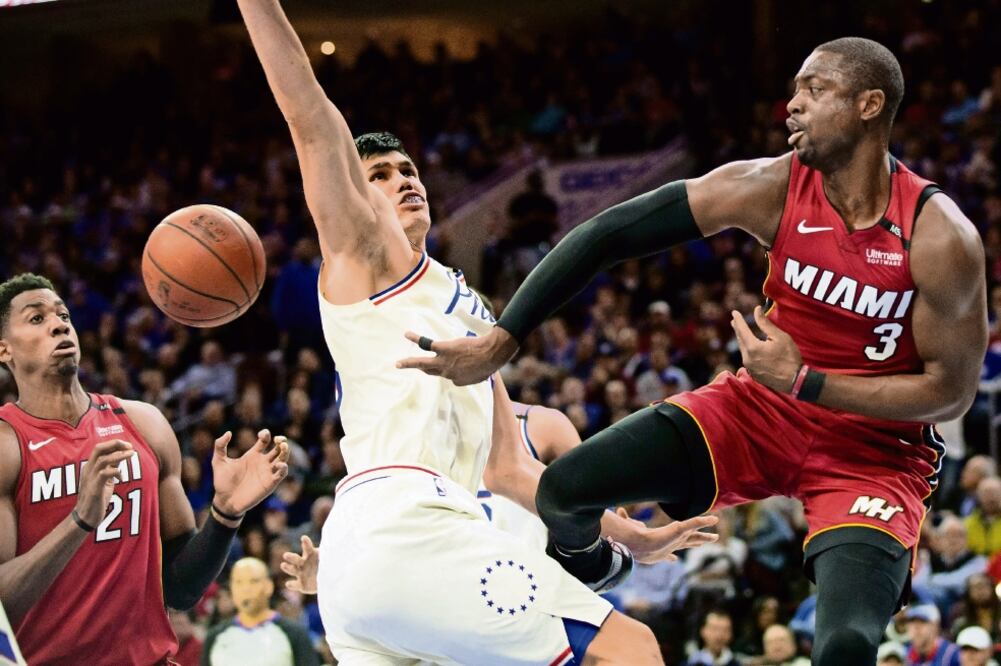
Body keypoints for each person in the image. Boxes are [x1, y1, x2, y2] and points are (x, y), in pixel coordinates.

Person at [400, 37, 987, 666]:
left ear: (870, 105)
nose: (792, 105)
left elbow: (949, 392)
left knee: (843, 646)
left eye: (814, 91)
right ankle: (597, 570)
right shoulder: (771, 187)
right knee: (564, 493)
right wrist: (502, 339)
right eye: (793, 89)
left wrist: (806, 382)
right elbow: (607, 235)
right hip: (760, 413)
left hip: (873, 454)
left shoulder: (939, 236)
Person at [234, 1, 717, 664]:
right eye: (378, 175)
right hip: (405, 520)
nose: (401, 180)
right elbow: (308, 113)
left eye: (407, 170)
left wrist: (629, 537)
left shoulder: (470, 307)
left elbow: (511, 469)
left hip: (372, 555)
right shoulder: (360, 254)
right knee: (630, 648)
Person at [0, 273, 291, 663]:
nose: (59, 324)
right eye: (36, 319)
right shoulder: (7, 445)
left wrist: (225, 513)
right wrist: (80, 521)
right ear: (4, 350)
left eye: (63, 315)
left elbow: (180, 591)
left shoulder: (142, 423)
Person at [202, 557, 318, 666]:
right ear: (231, 588)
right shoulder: (215, 637)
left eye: (253, 581)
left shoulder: (294, 634)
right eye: (238, 582)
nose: (246, 589)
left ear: (269, 586)